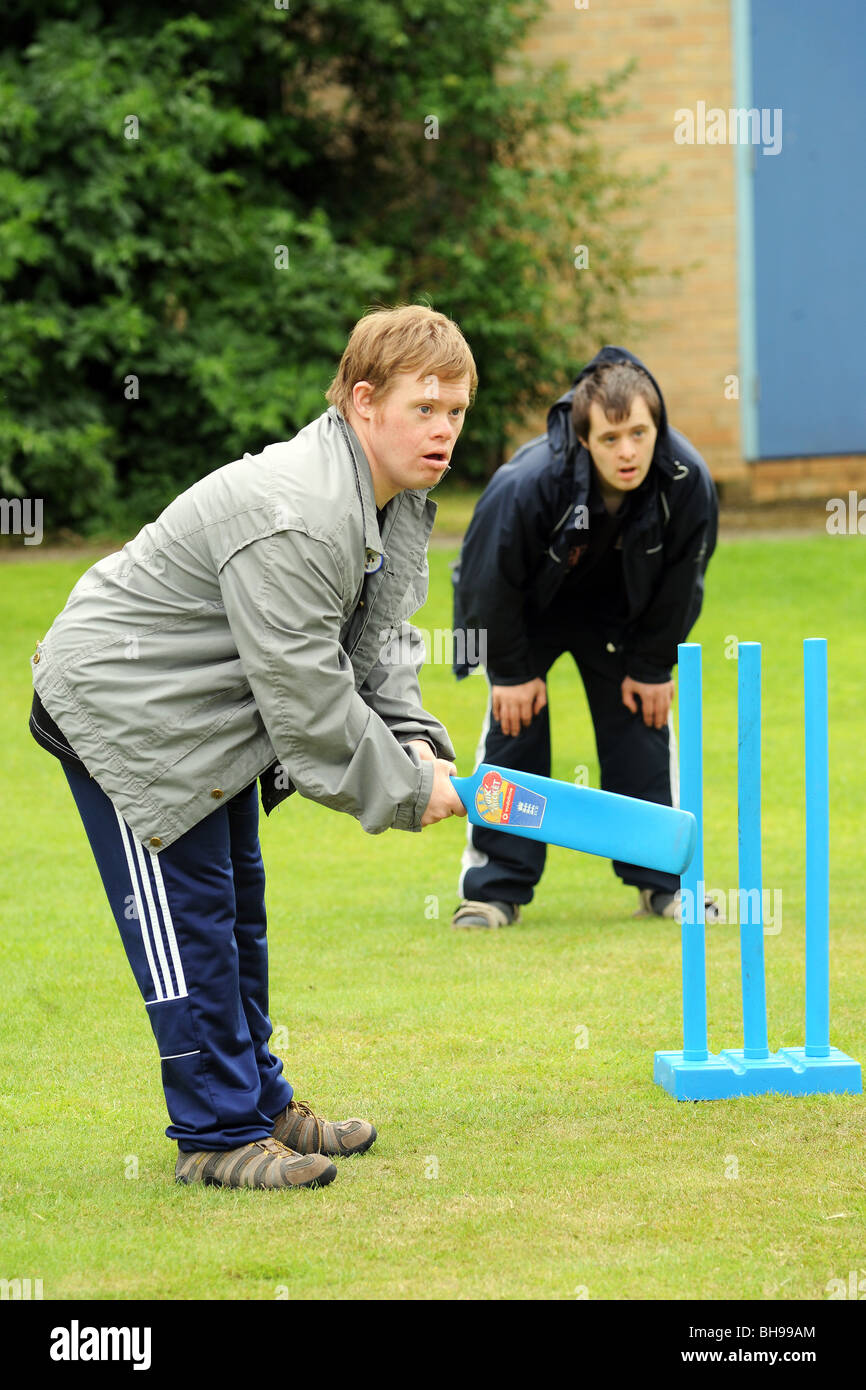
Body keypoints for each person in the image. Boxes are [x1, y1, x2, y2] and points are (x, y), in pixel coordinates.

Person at [29, 304, 470, 1190]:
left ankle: (259, 1101)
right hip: (123, 710)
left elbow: (379, 641)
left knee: (238, 909)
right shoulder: (302, 513)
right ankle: (217, 1136)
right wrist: (405, 791)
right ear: (362, 401)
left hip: (211, 717)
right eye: (425, 407)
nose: (445, 429)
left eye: (457, 411)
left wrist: (418, 739)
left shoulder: (395, 500)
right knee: (189, 919)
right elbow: (308, 700)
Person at [450, 346, 718, 929]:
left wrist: (653, 665)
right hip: (524, 613)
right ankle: (494, 891)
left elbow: (683, 580)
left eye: (640, 434)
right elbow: (484, 575)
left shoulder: (687, 480)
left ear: (658, 427)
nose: (628, 452)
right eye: (611, 438)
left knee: (643, 725)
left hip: (620, 615)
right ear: (583, 439)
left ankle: (664, 884)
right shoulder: (527, 482)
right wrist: (511, 672)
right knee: (514, 733)